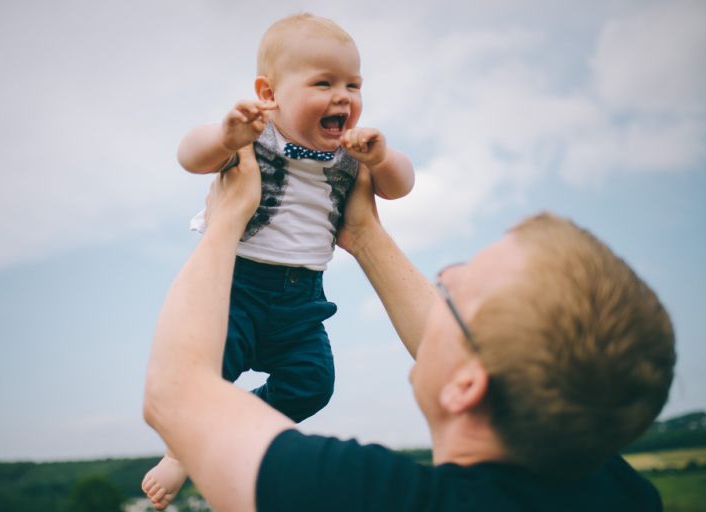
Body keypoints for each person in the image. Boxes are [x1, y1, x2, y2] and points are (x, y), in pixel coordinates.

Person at [142, 146, 676, 511]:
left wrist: (227, 220)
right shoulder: (621, 495)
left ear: (467, 386)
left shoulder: (369, 498)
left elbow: (177, 396)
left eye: (451, 292)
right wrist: (366, 236)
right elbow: (498, 364)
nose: (439, 278)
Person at [141, 13, 414, 509]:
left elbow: (400, 187)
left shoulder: (349, 153)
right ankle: (183, 451)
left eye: (353, 84)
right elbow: (189, 155)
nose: (343, 97)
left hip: (302, 300)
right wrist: (226, 135)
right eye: (324, 82)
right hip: (237, 287)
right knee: (208, 373)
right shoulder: (254, 137)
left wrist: (381, 158)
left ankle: (235, 423)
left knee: (313, 382)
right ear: (269, 93)